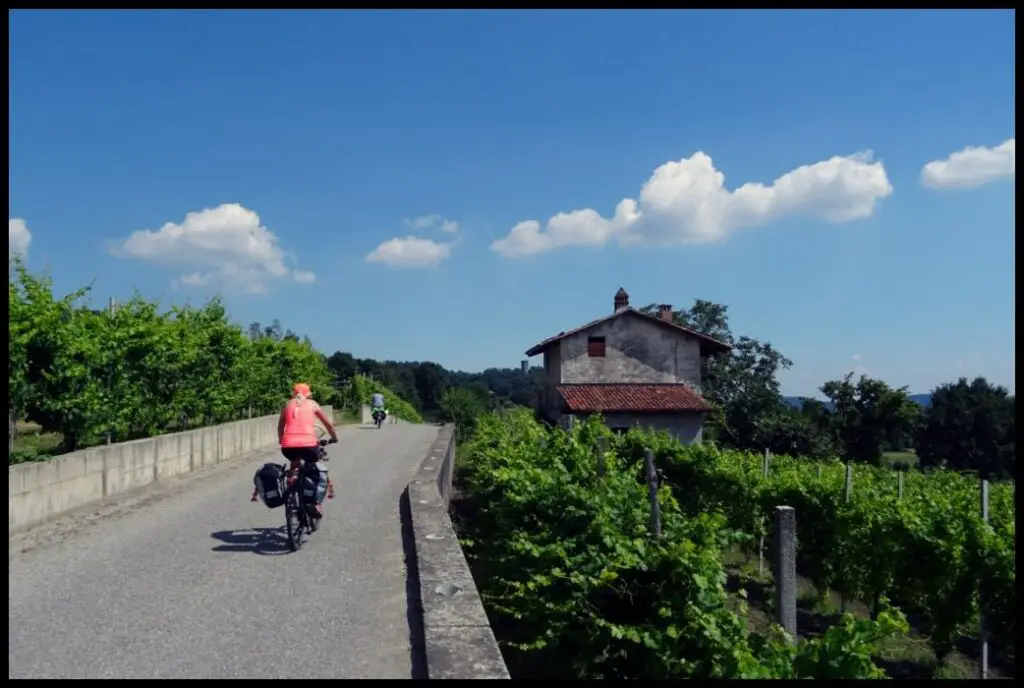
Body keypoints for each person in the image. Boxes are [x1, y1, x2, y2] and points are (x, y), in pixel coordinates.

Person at [251, 383, 338, 512]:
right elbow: (328, 424)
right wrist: (334, 438)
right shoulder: (313, 404)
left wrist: (282, 440)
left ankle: (291, 484)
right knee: (314, 469)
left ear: (294, 393)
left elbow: (280, 427)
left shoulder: (287, 404)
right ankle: (314, 503)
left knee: (294, 464)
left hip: (288, 446)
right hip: (309, 445)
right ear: (308, 394)